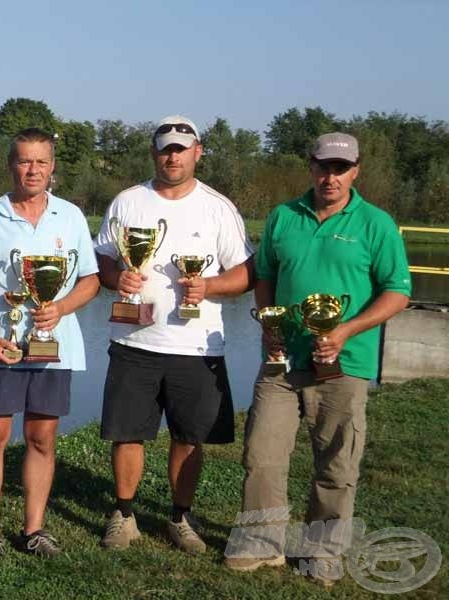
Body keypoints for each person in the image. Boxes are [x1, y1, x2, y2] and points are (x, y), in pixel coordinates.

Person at [224, 133, 411, 586]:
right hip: (282, 360)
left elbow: (398, 291)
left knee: (336, 461)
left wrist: (344, 330)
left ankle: (322, 550)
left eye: (340, 168)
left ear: (355, 171)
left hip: (345, 362)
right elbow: (265, 276)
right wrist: (269, 325)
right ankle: (261, 543)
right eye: (323, 166)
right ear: (310, 167)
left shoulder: (375, 223)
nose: (330, 176)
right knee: (261, 453)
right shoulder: (284, 216)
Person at [94, 115, 255, 553]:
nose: (173, 156)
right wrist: (117, 277)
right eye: (166, 148)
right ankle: (124, 514)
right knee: (128, 433)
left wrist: (210, 286)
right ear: (154, 152)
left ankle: (180, 518)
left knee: (189, 437)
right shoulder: (128, 201)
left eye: (181, 149)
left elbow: (246, 273)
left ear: (197, 153)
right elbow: (102, 260)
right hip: (134, 340)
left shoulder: (218, 207)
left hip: (197, 344)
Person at [0, 128, 99, 565]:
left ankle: (34, 528)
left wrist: (59, 308)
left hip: (52, 345)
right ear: (11, 164)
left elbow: (91, 280)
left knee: (41, 437)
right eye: (24, 160)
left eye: (41, 161)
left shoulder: (71, 216)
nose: (32, 169)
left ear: (52, 166)